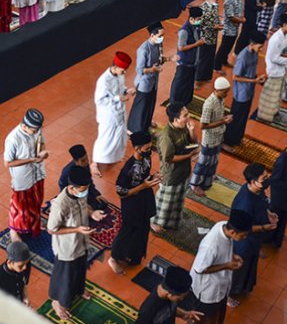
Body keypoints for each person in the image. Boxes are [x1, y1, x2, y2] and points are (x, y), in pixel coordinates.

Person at [47, 165, 107, 320]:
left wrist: (92, 213)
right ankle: (57, 302)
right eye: (83, 188)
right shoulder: (61, 205)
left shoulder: (80, 194)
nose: (86, 191)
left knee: (80, 269)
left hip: (81, 242)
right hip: (67, 248)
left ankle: (79, 290)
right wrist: (77, 230)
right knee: (65, 277)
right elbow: (52, 229)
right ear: (72, 188)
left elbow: (83, 205)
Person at [186, 210, 250, 324]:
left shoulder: (224, 226)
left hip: (221, 286)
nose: (244, 238)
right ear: (233, 232)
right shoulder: (211, 245)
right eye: (243, 236)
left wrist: (231, 256)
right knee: (202, 323)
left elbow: (223, 250)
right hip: (207, 291)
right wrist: (227, 265)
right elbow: (200, 269)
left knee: (215, 317)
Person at [108, 131, 159, 274]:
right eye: (147, 148)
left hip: (144, 199)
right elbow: (121, 192)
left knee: (142, 229)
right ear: (137, 149)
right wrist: (144, 186)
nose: (149, 151)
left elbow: (145, 177)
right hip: (132, 203)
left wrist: (153, 177)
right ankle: (114, 258)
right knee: (127, 230)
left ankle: (132, 255)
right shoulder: (128, 169)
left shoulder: (147, 158)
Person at [230, 163, 278, 302]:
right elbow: (244, 228)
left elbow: (263, 203)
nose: (267, 180)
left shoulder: (257, 190)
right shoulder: (245, 203)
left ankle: (245, 287)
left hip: (254, 241)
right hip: (244, 241)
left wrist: (269, 214)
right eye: (264, 178)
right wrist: (264, 227)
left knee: (250, 263)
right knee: (239, 267)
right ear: (253, 181)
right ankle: (231, 293)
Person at [150, 102, 199, 233]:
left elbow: (194, 142)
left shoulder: (183, 127)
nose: (188, 117)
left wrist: (191, 130)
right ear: (176, 119)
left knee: (177, 200)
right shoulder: (166, 136)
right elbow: (169, 158)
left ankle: (172, 221)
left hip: (183, 172)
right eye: (185, 115)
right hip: (171, 174)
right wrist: (189, 155)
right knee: (164, 203)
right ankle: (153, 221)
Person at [4, 108, 49, 242]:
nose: (36, 132)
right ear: (24, 126)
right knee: (20, 207)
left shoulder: (36, 129)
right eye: (33, 131)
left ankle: (33, 224)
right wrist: (30, 160)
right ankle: (14, 230)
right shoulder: (13, 139)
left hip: (37, 172)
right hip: (23, 178)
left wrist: (42, 152)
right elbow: (7, 163)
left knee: (37, 200)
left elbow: (41, 141)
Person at [92, 51, 135, 176]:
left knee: (120, 136)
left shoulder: (119, 75)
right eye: (123, 70)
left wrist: (127, 90)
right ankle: (94, 163)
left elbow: (121, 88)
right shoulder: (103, 81)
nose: (124, 72)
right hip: (108, 115)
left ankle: (115, 156)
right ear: (115, 67)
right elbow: (99, 100)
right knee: (104, 139)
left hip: (119, 111)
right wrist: (119, 98)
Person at [222, 32, 267, 150]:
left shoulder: (254, 53)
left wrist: (257, 78)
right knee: (235, 117)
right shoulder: (243, 56)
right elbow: (235, 77)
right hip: (241, 93)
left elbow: (250, 72)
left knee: (243, 117)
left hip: (249, 91)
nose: (261, 49)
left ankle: (237, 138)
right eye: (260, 46)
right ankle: (227, 141)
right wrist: (254, 81)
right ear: (252, 44)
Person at [133, 266, 201, 324]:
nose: (182, 300)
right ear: (169, 294)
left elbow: (169, 308)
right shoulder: (148, 309)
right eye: (180, 298)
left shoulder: (166, 292)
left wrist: (185, 314)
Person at [190, 77, 232, 196]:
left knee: (213, 160)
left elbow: (217, 118)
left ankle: (207, 180)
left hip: (218, 136)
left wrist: (223, 119)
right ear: (217, 90)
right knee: (203, 162)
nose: (226, 94)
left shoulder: (220, 99)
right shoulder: (209, 104)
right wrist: (223, 121)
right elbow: (203, 125)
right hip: (209, 139)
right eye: (225, 92)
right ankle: (195, 184)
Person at [128, 22, 173, 134]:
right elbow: (139, 70)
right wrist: (153, 70)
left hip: (153, 81)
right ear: (152, 35)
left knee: (150, 104)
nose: (162, 38)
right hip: (144, 83)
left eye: (163, 36)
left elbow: (159, 60)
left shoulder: (158, 44)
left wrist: (169, 59)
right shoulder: (143, 50)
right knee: (141, 107)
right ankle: (134, 129)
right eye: (159, 36)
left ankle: (146, 122)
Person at [258, 14, 287, 122]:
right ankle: (264, 116)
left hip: (282, 70)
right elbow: (273, 58)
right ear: (284, 25)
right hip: (274, 71)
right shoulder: (275, 39)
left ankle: (274, 112)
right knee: (270, 95)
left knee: (278, 94)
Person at [169, 6, 205, 105]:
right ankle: (174, 103)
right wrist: (196, 44)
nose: (200, 21)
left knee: (188, 84)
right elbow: (181, 47)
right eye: (198, 19)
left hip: (193, 62)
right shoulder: (184, 31)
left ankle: (185, 102)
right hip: (184, 63)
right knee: (179, 84)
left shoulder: (195, 26)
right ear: (191, 19)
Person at [58, 144, 107, 211]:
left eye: (87, 158)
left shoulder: (85, 165)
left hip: (83, 191)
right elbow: (63, 188)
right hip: (72, 195)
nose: (86, 162)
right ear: (76, 161)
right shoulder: (67, 172)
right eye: (83, 160)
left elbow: (89, 182)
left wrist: (96, 194)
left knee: (102, 204)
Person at [214, 0, 246, 73]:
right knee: (224, 47)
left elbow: (239, 10)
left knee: (229, 46)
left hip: (235, 28)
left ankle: (224, 60)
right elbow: (230, 16)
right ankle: (217, 66)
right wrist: (242, 21)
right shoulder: (229, 0)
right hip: (229, 29)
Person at [195, 0, 223, 87]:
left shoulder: (215, 6)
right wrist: (213, 27)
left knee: (210, 58)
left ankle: (206, 77)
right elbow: (199, 24)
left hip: (213, 37)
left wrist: (219, 25)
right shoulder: (202, 8)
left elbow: (216, 18)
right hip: (204, 38)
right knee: (203, 59)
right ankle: (198, 79)